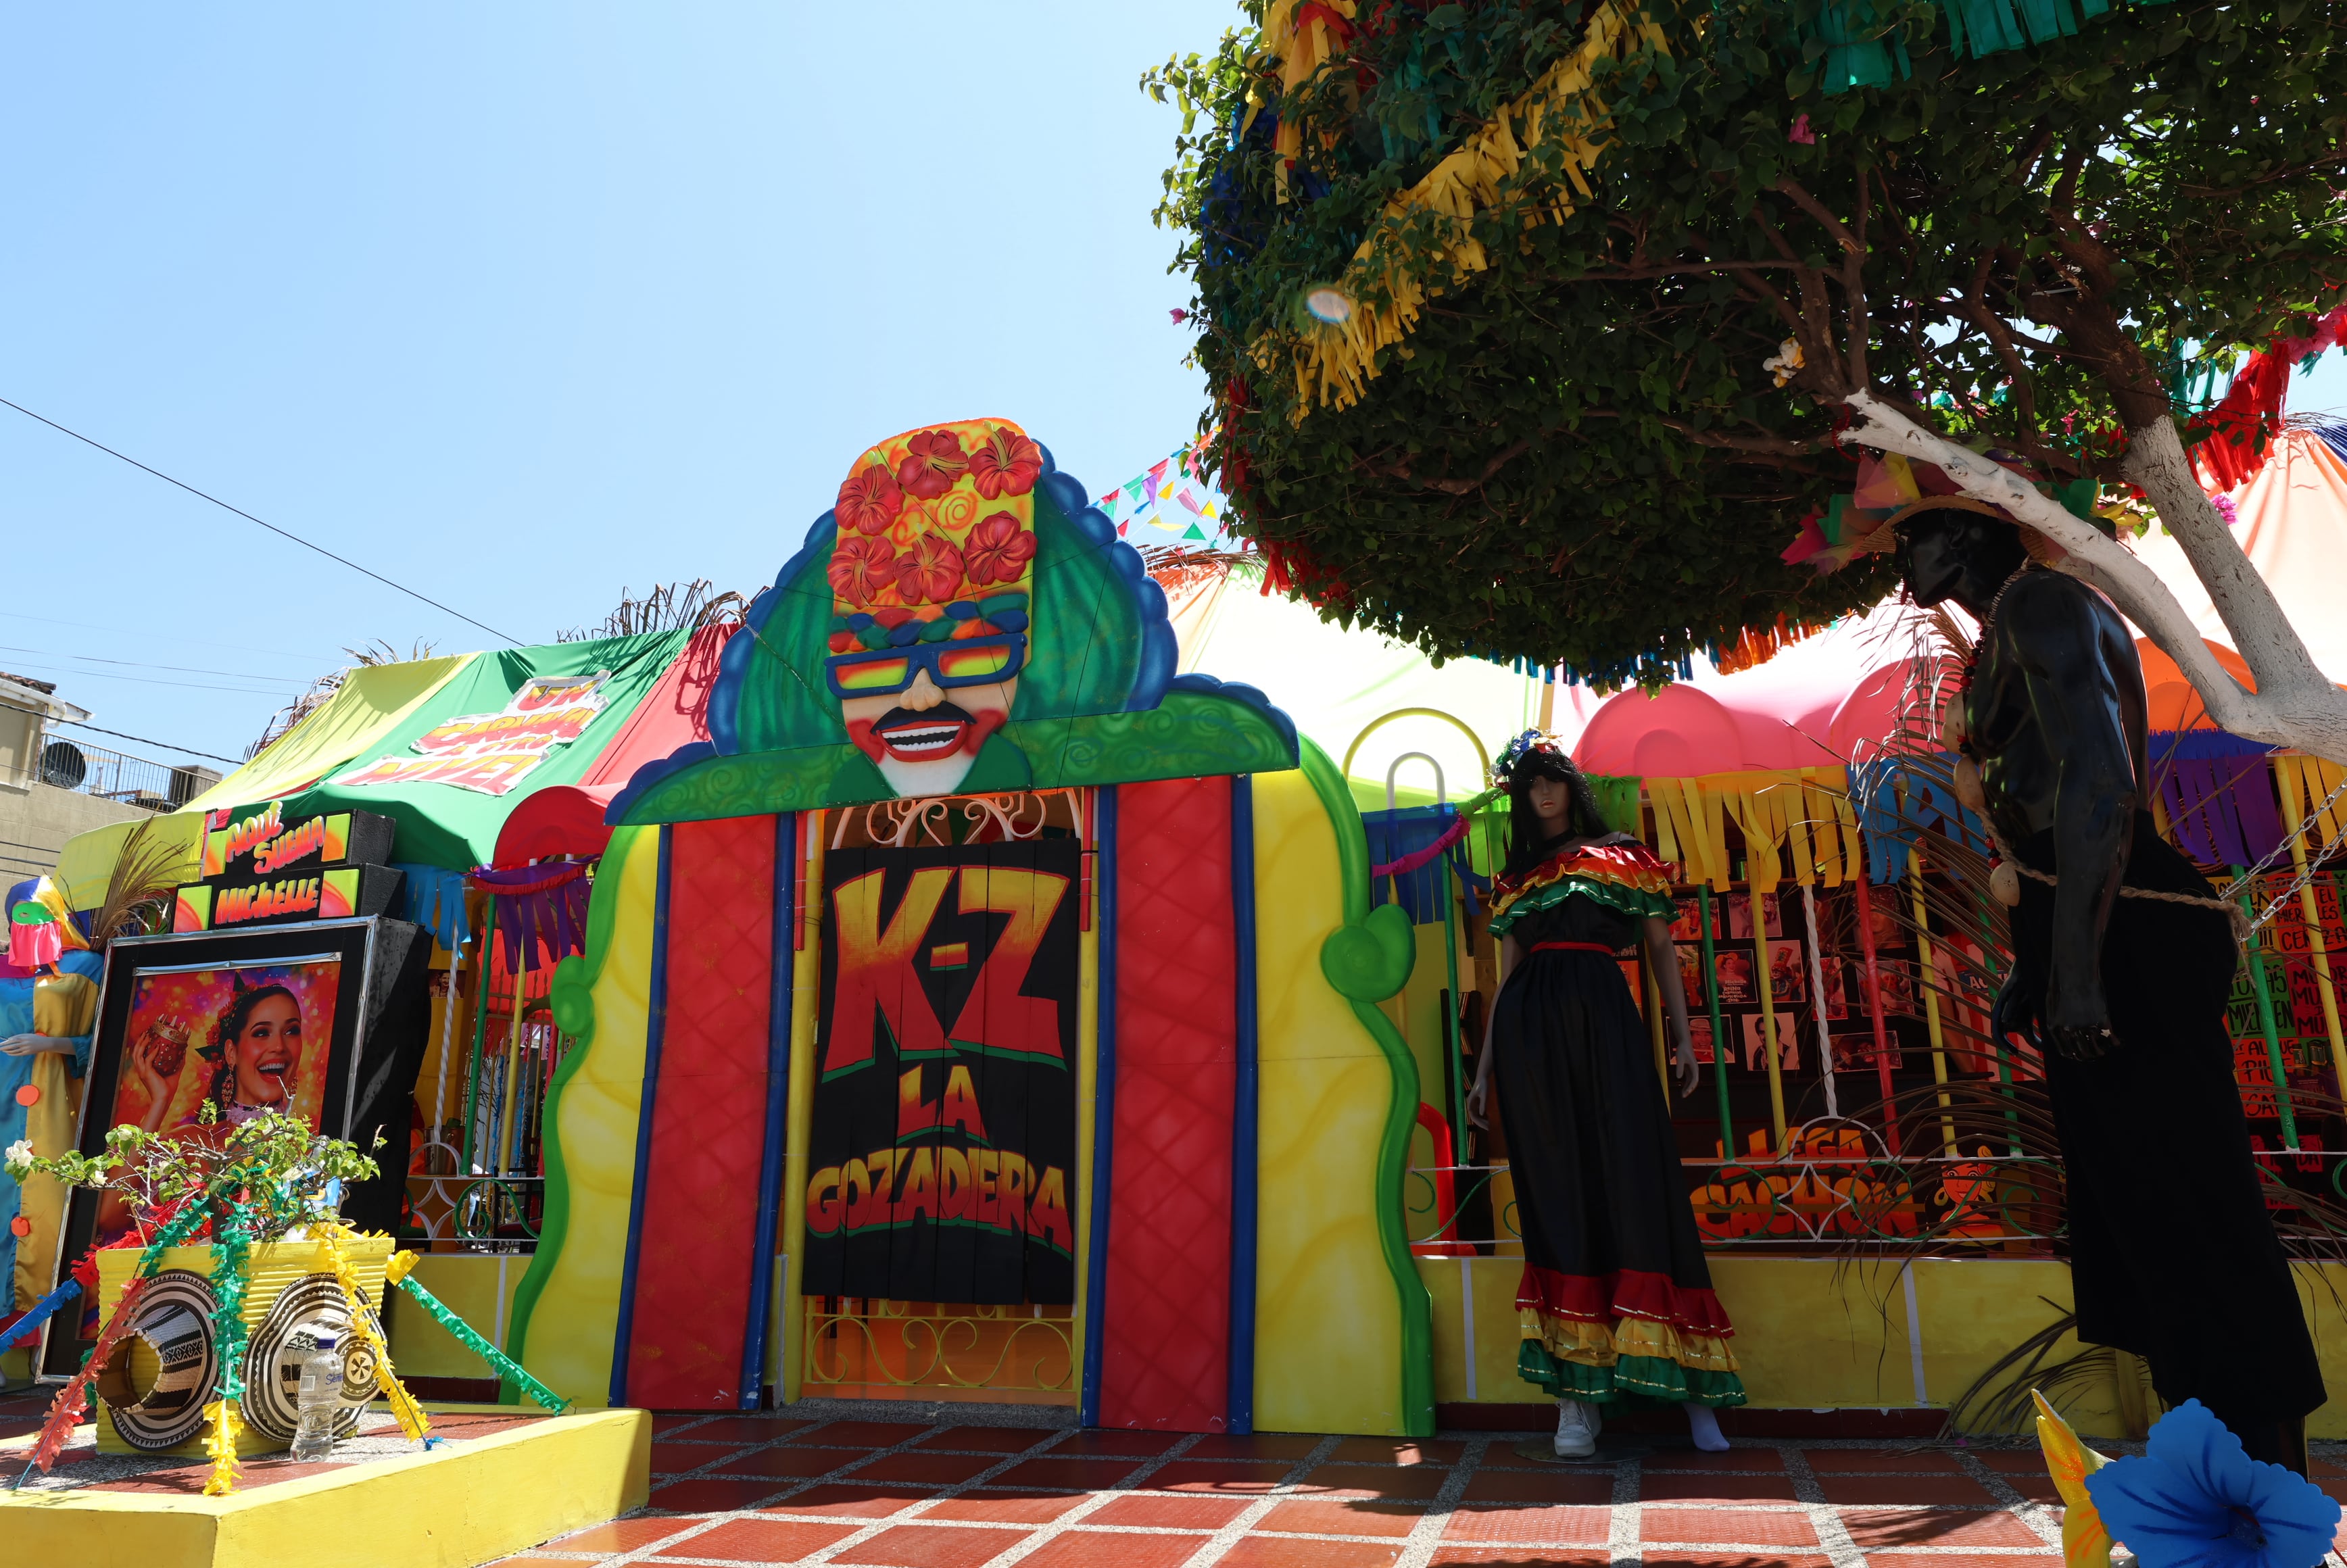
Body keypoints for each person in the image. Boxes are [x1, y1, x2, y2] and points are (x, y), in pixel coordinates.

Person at [1900, 501, 2324, 1472]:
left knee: (2193, 1205)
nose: (1896, 559)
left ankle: (2270, 1483)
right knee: (2144, 1217)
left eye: (1906, 536)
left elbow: (2096, 784)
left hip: (2125, 924)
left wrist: (2080, 973)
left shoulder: (2041, 605)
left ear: (1962, 535)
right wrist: (2043, 961)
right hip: (2087, 918)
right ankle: (2216, 1468)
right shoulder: (2010, 620)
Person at [1466, 734, 1747, 1456]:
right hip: (1529, 1044)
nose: (1543, 794)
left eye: (1553, 780)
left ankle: (1693, 1389)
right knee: (1554, 1195)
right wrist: (1484, 1069)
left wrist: (1684, 1037)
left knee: (1637, 1181)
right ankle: (1575, 1399)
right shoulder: (1515, 880)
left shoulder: (1621, 856)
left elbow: (1660, 947)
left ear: (1572, 787)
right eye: (1530, 785)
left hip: (1607, 1028)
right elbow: (1505, 977)